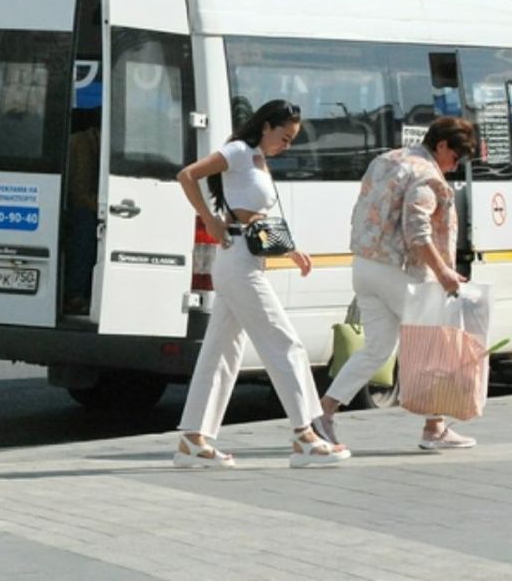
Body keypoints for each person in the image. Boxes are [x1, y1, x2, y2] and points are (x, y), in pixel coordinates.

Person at [174, 99, 350, 469]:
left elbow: (256, 217)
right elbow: (187, 175)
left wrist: (291, 250)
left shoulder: (255, 156)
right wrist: (208, 219)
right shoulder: (238, 150)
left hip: (244, 256)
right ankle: (305, 435)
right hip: (237, 260)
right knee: (285, 342)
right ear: (266, 126)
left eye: (291, 140)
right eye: (284, 138)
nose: (285, 146)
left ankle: (193, 440)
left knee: (222, 352)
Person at [315, 117, 478, 450]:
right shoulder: (427, 176)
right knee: (433, 341)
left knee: (378, 348)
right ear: (443, 145)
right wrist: (444, 272)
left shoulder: (387, 159)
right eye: (456, 157)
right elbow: (417, 231)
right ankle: (434, 429)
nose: (455, 165)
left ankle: (323, 413)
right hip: (398, 270)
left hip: (364, 264)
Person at [64, 110, 100, 315]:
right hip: (78, 207)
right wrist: (103, 208)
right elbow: (79, 192)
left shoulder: (89, 143)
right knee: (84, 236)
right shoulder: (80, 145)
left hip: (84, 203)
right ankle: (75, 295)